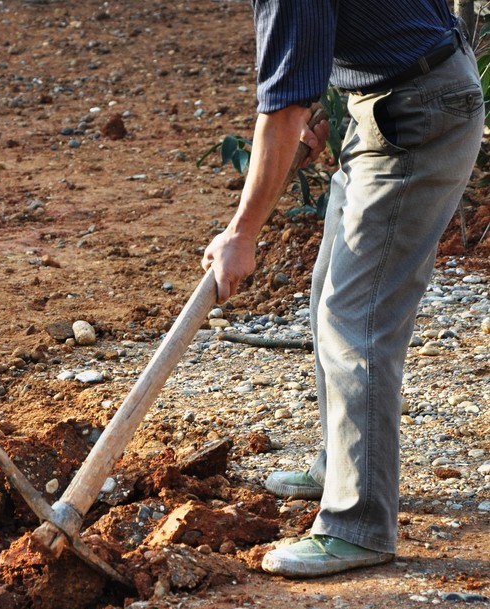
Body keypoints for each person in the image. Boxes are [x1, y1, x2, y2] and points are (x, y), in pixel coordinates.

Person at [202, 1, 484, 578]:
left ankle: (357, 523)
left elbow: (281, 111)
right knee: (328, 289)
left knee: (356, 320)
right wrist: (338, 102)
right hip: (393, 100)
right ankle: (341, 466)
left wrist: (241, 233)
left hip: (414, 118)